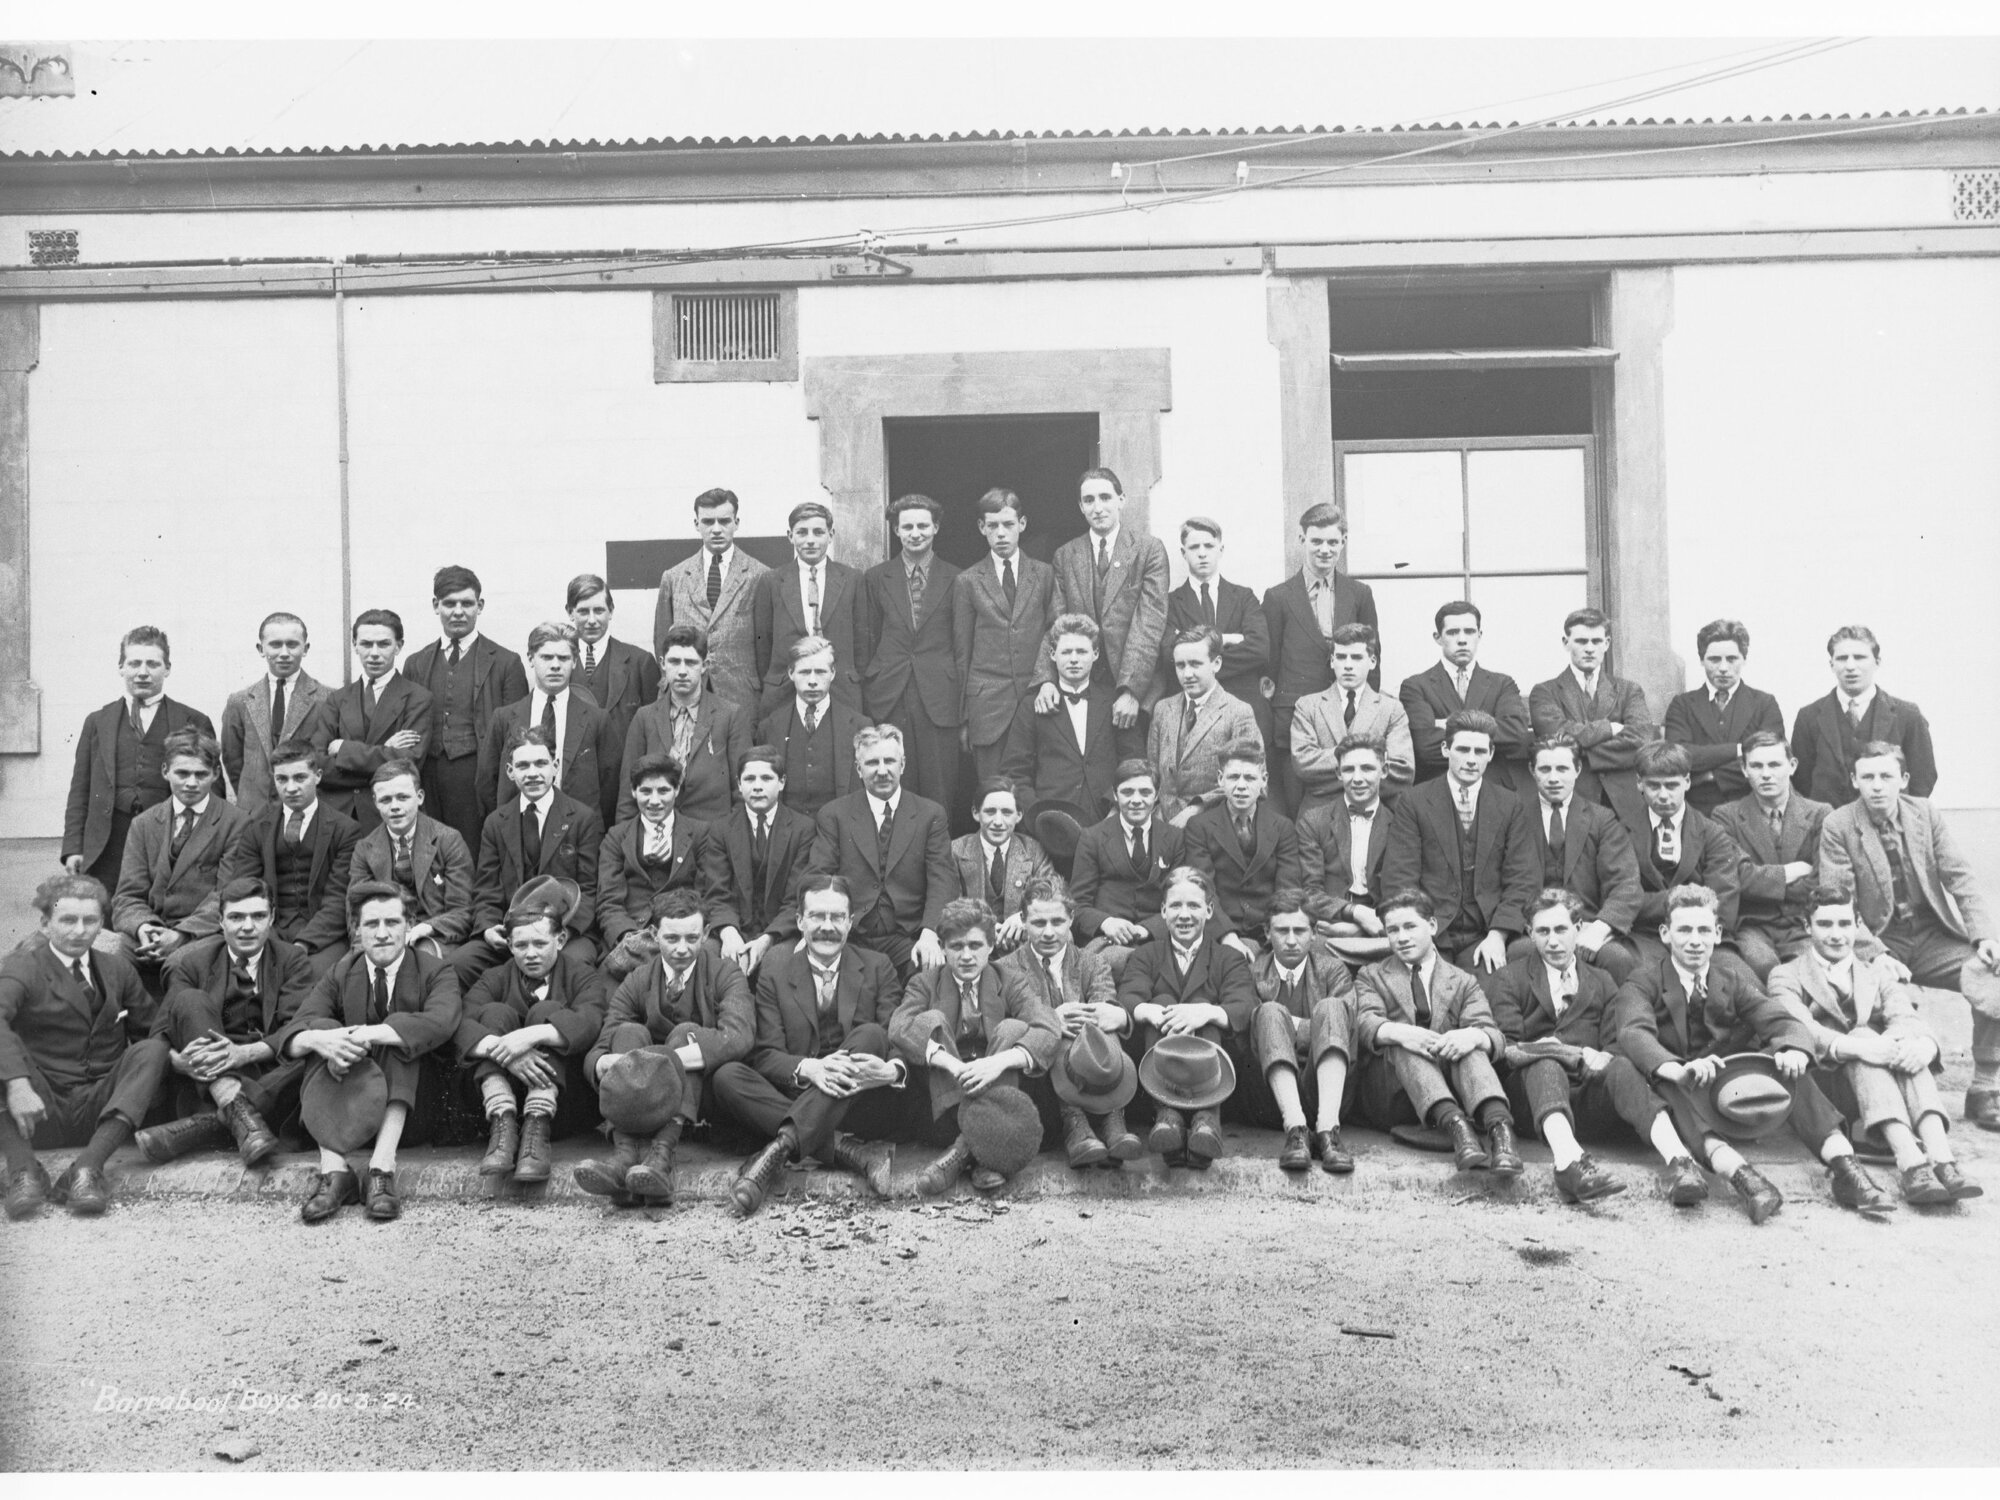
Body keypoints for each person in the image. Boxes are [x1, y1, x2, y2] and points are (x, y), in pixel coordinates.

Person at [1612, 884, 1896, 1222]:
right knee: (1668, 1081)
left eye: (1704, 930)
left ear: (1717, 934)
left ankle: (1846, 1168)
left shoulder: (1731, 980)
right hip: (1680, 1095)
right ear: (1665, 933)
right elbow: (1632, 1030)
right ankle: (1745, 1179)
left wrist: (1794, 1049)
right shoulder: (1642, 981)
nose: (1694, 940)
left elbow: (1782, 1021)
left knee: (1790, 1068)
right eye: (1684, 930)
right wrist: (1675, 1068)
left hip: (1726, 1091)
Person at [1820, 741, 2000, 1130]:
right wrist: (1876, 951)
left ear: (1903, 779)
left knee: (1993, 972)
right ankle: (1904, 1100)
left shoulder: (1925, 813)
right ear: (1854, 781)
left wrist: (1984, 935)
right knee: (1888, 1008)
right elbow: (1840, 902)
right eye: (1867, 777)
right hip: (1879, 939)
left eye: (1886, 776)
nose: (1877, 786)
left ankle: (1985, 1086)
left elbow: (1960, 876)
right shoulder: (1838, 825)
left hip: (1930, 935)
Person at [1769, 886, 1980, 1204]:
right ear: (1806, 927)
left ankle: (1942, 1160)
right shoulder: (1786, 975)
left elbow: (1905, 1016)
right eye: (1825, 924)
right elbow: (1800, 1028)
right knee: (1864, 1037)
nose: (1836, 934)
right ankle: (1911, 1162)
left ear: (1857, 925)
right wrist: (1861, 1047)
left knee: (1909, 1044)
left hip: (1884, 1085)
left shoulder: (1876, 973)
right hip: (1831, 1086)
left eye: (1844, 924)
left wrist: (1923, 1045)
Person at [713, 875, 903, 1216]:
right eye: (816, 916)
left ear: (850, 922)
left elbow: (895, 1038)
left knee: (872, 1035)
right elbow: (766, 1054)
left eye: (836, 917)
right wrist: (810, 1069)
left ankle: (780, 1148)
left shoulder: (878, 967)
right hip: (795, 1092)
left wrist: (892, 1069)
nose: (826, 927)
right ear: (800, 921)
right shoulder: (775, 969)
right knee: (727, 1076)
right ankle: (843, 1148)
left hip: (857, 1100)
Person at [277, 882, 463, 1222]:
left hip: (414, 1111)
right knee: (322, 1031)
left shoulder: (435, 970)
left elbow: (442, 1022)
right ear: (356, 929)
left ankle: (381, 1169)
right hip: (353, 1110)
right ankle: (335, 1172)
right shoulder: (343, 970)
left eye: (392, 923)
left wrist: (367, 1034)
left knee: (398, 1031)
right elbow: (294, 1029)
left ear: (409, 925)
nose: (381, 934)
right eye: (371, 924)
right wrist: (324, 1041)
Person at [1486, 890, 1680, 1205]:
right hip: (1533, 1104)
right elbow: (1505, 1049)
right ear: (1529, 935)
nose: (1552, 941)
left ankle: (1679, 1161)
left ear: (1579, 928)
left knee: (1623, 1067)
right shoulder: (1509, 979)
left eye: (1561, 930)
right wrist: (1568, 1053)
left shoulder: (1602, 980)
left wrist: (1604, 1056)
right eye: (1542, 931)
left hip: (1588, 1102)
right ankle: (1569, 1163)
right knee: (1544, 1064)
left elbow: (1615, 1045)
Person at [0, 875, 170, 1218]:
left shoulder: (117, 969)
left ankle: (87, 1169)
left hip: (100, 1109)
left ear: (101, 925)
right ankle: (22, 1171)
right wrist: (18, 1086)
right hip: (38, 1110)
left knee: (153, 1050)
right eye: (67, 920)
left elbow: (151, 1029)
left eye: (90, 920)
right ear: (46, 925)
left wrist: (175, 1057)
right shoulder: (23, 967)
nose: (79, 931)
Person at [574, 890, 755, 1205]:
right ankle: (625, 1157)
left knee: (688, 1033)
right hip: (644, 1094)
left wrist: (663, 1060)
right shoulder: (638, 979)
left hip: (701, 1095)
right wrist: (606, 1063)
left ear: (706, 934)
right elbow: (600, 1048)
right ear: (655, 935)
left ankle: (662, 1157)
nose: (683, 949)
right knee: (627, 1032)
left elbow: (739, 1036)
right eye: (672, 938)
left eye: (692, 938)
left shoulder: (725, 973)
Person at [137, 876, 315, 1166]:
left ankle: (206, 1126)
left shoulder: (292, 960)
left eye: (258, 916)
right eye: (236, 917)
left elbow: (296, 1027)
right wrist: (178, 1061)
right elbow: (159, 1033)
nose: (247, 927)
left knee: (315, 1043)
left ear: (271, 918)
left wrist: (244, 1053)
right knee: (190, 1000)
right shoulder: (193, 963)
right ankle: (237, 1110)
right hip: (208, 1078)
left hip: (271, 1076)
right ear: (220, 921)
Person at [891, 897, 1062, 1194]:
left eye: (975, 946)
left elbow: (1048, 1025)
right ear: (943, 948)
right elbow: (899, 1026)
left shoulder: (1010, 981)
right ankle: (985, 1151)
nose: (966, 956)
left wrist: (1000, 1061)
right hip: (946, 1108)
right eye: (957, 947)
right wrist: (951, 1064)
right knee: (930, 1019)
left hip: (1000, 1099)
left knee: (1012, 1029)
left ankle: (962, 1153)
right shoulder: (924, 983)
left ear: (991, 947)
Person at [1352, 889, 1519, 1175]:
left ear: (1432, 926)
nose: (1402, 938)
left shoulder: (1462, 980)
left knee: (1471, 1045)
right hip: (1395, 1093)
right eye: (1393, 930)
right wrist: (1399, 1032)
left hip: (1452, 1087)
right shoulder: (1372, 975)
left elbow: (1492, 1032)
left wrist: (1473, 1036)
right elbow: (1365, 1021)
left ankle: (1501, 1133)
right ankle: (1458, 1129)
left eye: (1410, 927)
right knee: (1405, 1043)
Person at [457, 889, 611, 1186]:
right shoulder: (496, 978)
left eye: (540, 943)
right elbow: (460, 1022)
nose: (530, 954)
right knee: (493, 1014)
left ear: (561, 940)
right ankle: (502, 1128)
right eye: (522, 945)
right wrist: (505, 1052)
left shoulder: (582, 976)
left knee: (546, 1011)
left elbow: (591, 1021)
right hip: (499, 1102)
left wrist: (531, 1035)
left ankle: (536, 1132)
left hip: (564, 1106)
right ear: (510, 945)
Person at [1117, 867, 1257, 1168]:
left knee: (1203, 1008)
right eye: (1176, 906)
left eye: (1193, 906)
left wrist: (1205, 1012)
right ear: (1163, 911)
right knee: (1164, 1004)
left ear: (1209, 911)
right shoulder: (1146, 954)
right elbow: (1128, 997)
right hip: (1158, 1074)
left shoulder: (1228, 957)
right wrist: (1151, 1011)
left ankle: (1207, 1122)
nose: (1184, 915)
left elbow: (1245, 1004)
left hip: (1215, 1077)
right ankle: (1168, 1117)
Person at [999, 876, 1142, 1167]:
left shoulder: (1092, 962)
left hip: (1094, 1073)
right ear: (1023, 921)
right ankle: (1074, 1124)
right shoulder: (1006, 969)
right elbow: (1010, 1020)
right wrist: (1052, 1019)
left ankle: (1114, 1119)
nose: (1049, 932)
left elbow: (1104, 1002)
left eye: (1058, 922)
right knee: (1055, 1027)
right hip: (1042, 1086)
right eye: (1039, 924)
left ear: (1071, 919)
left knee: (1101, 1022)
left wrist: (1092, 1016)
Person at [1381, 710, 1538, 975]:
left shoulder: (1509, 804)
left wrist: (1498, 935)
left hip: (1485, 933)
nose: (1471, 760)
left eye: (1479, 751)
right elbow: (1400, 877)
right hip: (1431, 934)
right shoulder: (1414, 801)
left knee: (1489, 995)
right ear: (1445, 749)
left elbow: (1523, 879)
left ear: (1490, 753)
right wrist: (1419, 935)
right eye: (1463, 750)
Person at [63, 626, 216, 891]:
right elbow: (80, 790)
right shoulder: (98, 722)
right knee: (108, 918)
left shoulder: (194, 720)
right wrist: (73, 847)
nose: (143, 672)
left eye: (152, 664)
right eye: (134, 663)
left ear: (167, 668)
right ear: (121, 667)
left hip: (171, 837)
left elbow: (214, 789)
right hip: (108, 842)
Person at [455, 726, 604, 990]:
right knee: (461, 963)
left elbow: (589, 889)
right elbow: (487, 888)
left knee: (573, 965)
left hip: (564, 933)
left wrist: (561, 932)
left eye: (541, 763)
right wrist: (489, 927)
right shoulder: (496, 823)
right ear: (510, 771)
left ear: (555, 766)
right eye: (523, 766)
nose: (533, 773)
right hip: (512, 932)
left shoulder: (581, 818)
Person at [806, 724, 953, 981]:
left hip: (907, 937)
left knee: (932, 974)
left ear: (903, 765)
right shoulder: (835, 815)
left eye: (890, 761)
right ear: (858, 768)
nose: (882, 771)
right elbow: (820, 877)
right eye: (873, 762)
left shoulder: (930, 815)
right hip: (851, 936)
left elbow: (942, 880)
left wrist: (930, 932)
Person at [1032, 466, 1171, 736]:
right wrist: (1046, 679)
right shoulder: (1066, 555)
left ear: (1122, 500)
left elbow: (1149, 625)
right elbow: (1057, 624)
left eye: (1105, 497)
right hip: (1083, 686)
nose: (1098, 507)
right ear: (1080, 507)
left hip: (1137, 690)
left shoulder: (1148, 550)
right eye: (1089, 500)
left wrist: (1130, 692)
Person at [110, 729, 251, 984]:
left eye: (201, 774)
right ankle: (121, 1023)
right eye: (182, 773)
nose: (191, 783)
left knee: (180, 963)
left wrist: (181, 935)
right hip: (152, 930)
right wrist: (144, 928)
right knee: (111, 959)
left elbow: (227, 896)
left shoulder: (236, 823)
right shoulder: (143, 824)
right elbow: (127, 895)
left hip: (205, 933)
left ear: (216, 774)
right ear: (165, 771)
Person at [1236, 887, 1362, 1173]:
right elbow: (1248, 1035)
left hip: (1326, 1094)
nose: (1291, 940)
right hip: (1270, 1100)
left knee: (1331, 1008)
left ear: (1314, 933)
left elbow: (1345, 1028)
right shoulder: (1252, 973)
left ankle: (1328, 1134)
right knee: (1269, 1012)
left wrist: (1287, 1029)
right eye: (1282, 931)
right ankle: (1296, 1132)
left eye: (1300, 931)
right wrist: (1310, 1029)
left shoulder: (1334, 970)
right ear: (1267, 933)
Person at [1264, 504, 1378, 814]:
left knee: (1350, 806)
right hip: (1296, 724)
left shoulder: (1359, 594)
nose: (1324, 550)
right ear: (1301, 540)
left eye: (1332, 542)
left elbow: (1372, 657)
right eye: (1316, 541)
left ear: (1343, 541)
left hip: (1348, 717)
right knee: (1298, 809)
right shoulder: (1278, 597)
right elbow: (1270, 664)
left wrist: (1367, 710)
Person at [402, 568, 526, 853]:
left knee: (473, 852)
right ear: (436, 606)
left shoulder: (507, 662)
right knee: (429, 850)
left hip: (477, 777)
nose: (458, 611)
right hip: (428, 774)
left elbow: (515, 737)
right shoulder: (416, 663)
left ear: (479, 606)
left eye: (467, 603)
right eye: (449, 603)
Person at [219, 739, 358, 979]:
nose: (291, 788)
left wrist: (302, 945)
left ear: (318, 776)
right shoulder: (256, 828)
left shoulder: (344, 830)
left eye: (300, 778)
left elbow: (338, 899)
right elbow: (244, 890)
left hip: (322, 937)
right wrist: (268, 938)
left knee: (310, 975)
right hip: (268, 931)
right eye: (282, 779)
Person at [862, 493, 964, 814]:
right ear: (896, 531)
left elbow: (961, 643)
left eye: (923, 525)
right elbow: (868, 640)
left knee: (939, 787)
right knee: (892, 783)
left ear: (935, 528)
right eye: (907, 526)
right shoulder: (877, 577)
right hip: (890, 693)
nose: (915, 533)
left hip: (938, 696)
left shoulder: (957, 577)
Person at [1069, 759, 1217, 979]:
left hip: (1160, 937)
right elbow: (1077, 905)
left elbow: (1183, 899)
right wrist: (1106, 923)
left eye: (1145, 792)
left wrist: (1149, 929)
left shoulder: (1174, 839)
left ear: (1156, 795)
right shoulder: (1093, 838)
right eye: (1127, 792)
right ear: (1115, 795)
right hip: (1108, 942)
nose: (1136, 800)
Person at [1514, 735, 1642, 983]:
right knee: (1518, 954)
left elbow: (1626, 884)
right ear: (1532, 770)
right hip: (1531, 930)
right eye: (1544, 769)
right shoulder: (1514, 817)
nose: (1553, 778)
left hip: (1588, 926)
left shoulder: (1602, 820)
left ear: (1578, 769)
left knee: (1617, 959)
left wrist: (1599, 928)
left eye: (1562, 768)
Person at [953, 487, 1058, 782]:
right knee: (993, 788)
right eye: (993, 525)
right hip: (987, 708)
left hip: (1035, 698)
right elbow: (963, 651)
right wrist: (964, 718)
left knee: (1037, 784)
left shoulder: (1044, 574)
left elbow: (1055, 630)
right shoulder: (968, 581)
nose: (1001, 533)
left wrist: (1046, 681)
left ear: (1022, 525)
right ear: (981, 528)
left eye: (1008, 525)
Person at [1711, 731, 1832, 980]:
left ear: (1792, 765)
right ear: (1744, 769)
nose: (1766, 774)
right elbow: (1738, 878)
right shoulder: (1726, 816)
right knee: (1764, 966)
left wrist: (1762, 883)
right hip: (1753, 925)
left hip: (1802, 923)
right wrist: (1790, 872)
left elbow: (1821, 881)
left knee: (1814, 972)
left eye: (1775, 764)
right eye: (1756, 765)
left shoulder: (1820, 814)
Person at [598, 752, 728, 981]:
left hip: (684, 934)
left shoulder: (700, 834)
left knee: (704, 963)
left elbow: (709, 893)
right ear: (633, 791)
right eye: (646, 791)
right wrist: (629, 936)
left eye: (664, 791)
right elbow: (609, 901)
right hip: (633, 934)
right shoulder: (617, 837)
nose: (654, 801)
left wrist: (682, 933)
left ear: (677, 790)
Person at [1002, 615, 1143, 824]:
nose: (1074, 659)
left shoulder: (1115, 703)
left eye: (1082, 652)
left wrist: (1116, 808)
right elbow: (1015, 772)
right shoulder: (1032, 705)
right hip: (1051, 823)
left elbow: (1134, 763)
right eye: (1066, 652)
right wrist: (1039, 815)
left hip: (1108, 818)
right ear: (1052, 654)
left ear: (1095, 654)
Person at [479, 620, 619, 828]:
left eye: (563, 658)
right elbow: (487, 782)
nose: (555, 665)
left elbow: (610, 786)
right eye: (546, 657)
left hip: (578, 834)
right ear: (531, 659)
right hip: (518, 830)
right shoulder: (505, 718)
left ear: (574, 661)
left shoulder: (596, 719)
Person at [305, 608, 433, 834]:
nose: (374, 653)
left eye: (383, 644)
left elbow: (409, 764)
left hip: (389, 816)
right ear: (355, 645)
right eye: (366, 644)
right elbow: (317, 764)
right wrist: (385, 751)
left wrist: (345, 749)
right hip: (338, 817)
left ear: (399, 646)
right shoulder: (337, 699)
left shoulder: (417, 698)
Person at [1617, 741, 1743, 966]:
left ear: (1687, 782)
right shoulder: (1621, 832)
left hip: (1703, 940)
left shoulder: (1712, 833)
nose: (1663, 795)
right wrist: (1686, 896)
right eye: (1654, 786)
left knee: (1738, 978)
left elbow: (1723, 901)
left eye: (1672, 785)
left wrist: (1661, 907)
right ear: (1639, 784)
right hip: (1645, 938)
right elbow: (1622, 898)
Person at [1528, 608, 1656, 825]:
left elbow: (1641, 741)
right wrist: (1610, 729)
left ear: (1606, 644)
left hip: (1625, 805)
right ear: (1566, 642)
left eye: (1596, 641)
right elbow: (1554, 735)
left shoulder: (1629, 691)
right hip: (1571, 800)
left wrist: (1580, 751)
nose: (1589, 648)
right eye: (1581, 641)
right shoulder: (1545, 692)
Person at [1791, 625, 1937, 808]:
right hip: (1828, 827)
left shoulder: (1907, 715)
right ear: (1831, 664)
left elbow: (1923, 778)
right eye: (1842, 658)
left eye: (1860, 657)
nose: (1851, 666)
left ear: (1877, 662)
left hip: (1888, 828)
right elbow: (1801, 780)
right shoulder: (1809, 717)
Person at [619, 622, 748, 827]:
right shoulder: (645, 718)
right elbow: (627, 794)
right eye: (674, 662)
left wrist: (730, 842)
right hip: (659, 838)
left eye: (690, 662)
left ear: (704, 665)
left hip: (713, 838)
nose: (681, 671)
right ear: (662, 664)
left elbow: (741, 791)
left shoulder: (730, 715)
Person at [1156, 516, 1271, 744]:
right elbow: (1169, 654)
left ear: (1221, 549)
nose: (1202, 553)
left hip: (1243, 702)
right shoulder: (1170, 604)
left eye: (1208, 545)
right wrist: (1226, 638)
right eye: (1194, 547)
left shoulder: (1244, 597)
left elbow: (1259, 649)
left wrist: (1195, 657)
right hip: (1192, 710)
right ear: (1183, 553)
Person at [347, 759, 475, 960]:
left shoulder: (448, 840)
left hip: (435, 936)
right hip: (383, 936)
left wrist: (426, 928)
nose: (395, 807)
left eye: (403, 797)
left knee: (420, 965)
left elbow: (463, 911)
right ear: (375, 802)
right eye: (386, 800)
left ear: (420, 797)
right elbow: (356, 914)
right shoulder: (365, 849)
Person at [654, 487, 769, 711]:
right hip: (686, 698)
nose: (716, 529)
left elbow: (766, 644)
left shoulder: (760, 575)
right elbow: (661, 640)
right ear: (696, 524)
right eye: (708, 522)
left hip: (741, 696)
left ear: (736, 522)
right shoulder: (674, 577)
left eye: (724, 521)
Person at [1399, 600, 1532, 792]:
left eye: (1469, 631)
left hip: (1493, 790)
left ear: (1479, 635)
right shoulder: (1416, 686)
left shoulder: (1502, 684)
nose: (1462, 639)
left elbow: (1515, 735)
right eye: (1452, 632)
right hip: (1437, 791)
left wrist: (1446, 724)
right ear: (1438, 637)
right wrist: (1486, 729)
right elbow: (1425, 747)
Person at [1183, 743, 1302, 952]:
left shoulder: (1282, 827)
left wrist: (1276, 935)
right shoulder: (1199, 827)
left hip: (1269, 932)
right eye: (1233, 777)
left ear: (1264, 780)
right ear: (1220, 779)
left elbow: (1287, 890)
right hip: (1219, 933)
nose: (1241, 786)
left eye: (1249, 778)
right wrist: (1227, 935)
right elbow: (1203, 889)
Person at [1661, 619, 1785, 814]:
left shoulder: (1764, 704)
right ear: (1702, 660)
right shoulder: (1682, 705)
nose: (1724, 668)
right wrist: (1739, 749)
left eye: (1732, 659)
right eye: (1715, 659)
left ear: (1744, 659)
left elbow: (1769, 758)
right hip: (1698, 812)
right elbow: (1679, 757)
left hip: (1752, 810)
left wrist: (1709, 775)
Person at [712, 746, 817, 977]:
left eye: (767, 778)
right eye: (749, 779)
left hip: (781, 933)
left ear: (782, 782)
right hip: (735, 928)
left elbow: (797, 897)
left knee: (776, 963)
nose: (757, 786)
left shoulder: (803, 830)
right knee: (714, 959)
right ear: (739, 784)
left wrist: (767, 939)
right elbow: (716, 892)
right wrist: (729, 932)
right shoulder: (720, 830)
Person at [1290, 622, 1414, 815]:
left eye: (1356, 657)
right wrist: (1369, 767)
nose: (1348, 665)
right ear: (1332, 661)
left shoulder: (1391, 709)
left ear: (1372, 661)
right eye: (1341, 657)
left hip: (1378, 813)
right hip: (1320, 814)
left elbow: (1402, 770)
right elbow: (1303, 764)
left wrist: (1330, 778)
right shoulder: (1308, 706)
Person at [753, 501, 863, 715]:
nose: (810, 540)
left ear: (830, 535)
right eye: (802, 532)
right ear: (790, 536)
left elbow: (862, 641)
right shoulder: (772, 581)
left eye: (818, 532)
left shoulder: (852, 579)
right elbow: (762, 642)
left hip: (841, 686)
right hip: (784, 686)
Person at [1147, 628, 1262, 826]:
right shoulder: (1163, 709)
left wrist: (1195, 809)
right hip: (1163, 825)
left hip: (1213, 826)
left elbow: (1252, 780)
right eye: (1180, 665)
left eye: (1195, 664)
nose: (1187, 674)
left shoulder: (1238, 712)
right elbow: (1152, 772)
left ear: (1216, 664)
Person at [219, 611, 328, 816]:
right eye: (275, 645)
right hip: (254, 812)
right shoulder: (240, 701)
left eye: (292, 644)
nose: (284, 652)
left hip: (305, 812)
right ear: (261, 649)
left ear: (306, 648)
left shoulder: (326, 699)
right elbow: (233, 760)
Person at [1295, 734, 1392, 951]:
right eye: (1349, 770)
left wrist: (1365, 926)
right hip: (1330, 924)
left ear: (1384, 771)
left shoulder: (1397, 824)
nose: (1357, 778)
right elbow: (1308, 891)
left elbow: (1402, 891)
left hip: (1381, 925)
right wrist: (1355, 914)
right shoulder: (1314, 821)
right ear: (1338, 773)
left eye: (1367, 768)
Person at [756, 636, 866, 821]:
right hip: (788, 837)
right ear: (791, 673)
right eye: (805, 672)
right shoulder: (769, 727)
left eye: (821, 672)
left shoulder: (859, 726)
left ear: (833, 673)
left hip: (838, 834)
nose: (813, 681)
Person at [948, 780, 1056, 953]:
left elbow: (1051, 895)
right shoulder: (955, 851)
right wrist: (985, 927)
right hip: (972, 948)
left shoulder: (1033, 851)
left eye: (1006, 812)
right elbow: (949, 905)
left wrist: (1024, 917)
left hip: (1023, 950)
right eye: (990, 812)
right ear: (976, 813)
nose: (998, 822)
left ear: (1019, 815)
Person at [567, 572, 661, 754]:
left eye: (599, 610)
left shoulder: (640, 662)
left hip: (623, 773)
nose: (592, 620)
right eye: (583, 611)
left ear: (611, 611)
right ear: (570, 612)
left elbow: (655, 731)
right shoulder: (558, 661)